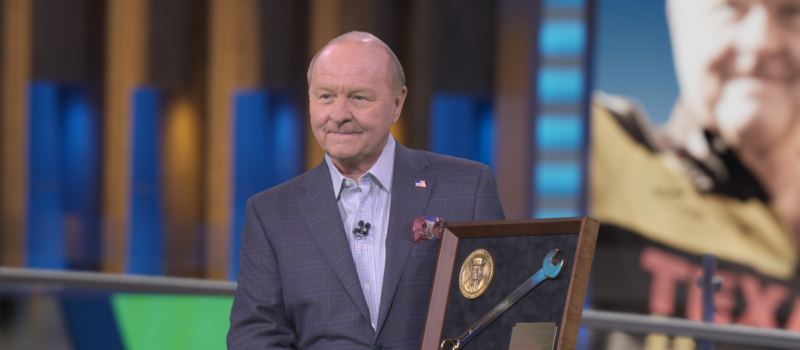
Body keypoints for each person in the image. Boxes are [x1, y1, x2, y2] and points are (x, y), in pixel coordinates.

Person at [227, 31, 505, 350]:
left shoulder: (468, 187)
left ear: (397, 103)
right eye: (325, 96)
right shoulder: (270, 214)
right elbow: (256, 336)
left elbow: (498, 315)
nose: (340, 115)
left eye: (359, 97)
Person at [591, 1, 800, 348]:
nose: (762, 42)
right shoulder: (609, 148)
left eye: (794, 12)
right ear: (676, 14)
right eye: (731, 7)